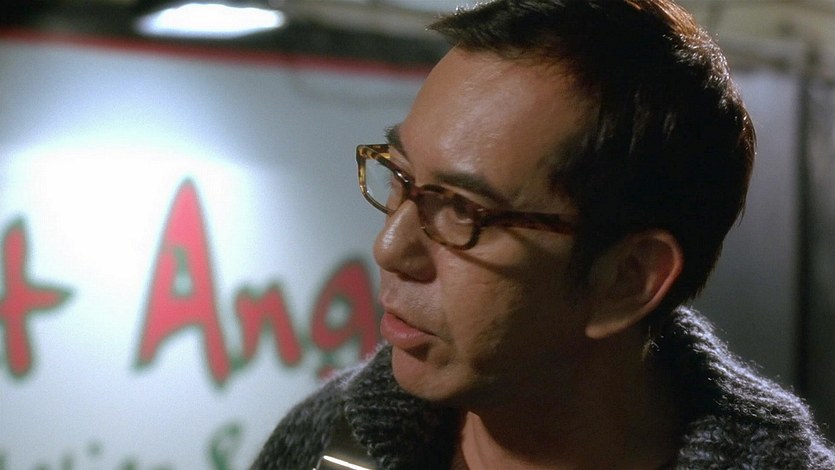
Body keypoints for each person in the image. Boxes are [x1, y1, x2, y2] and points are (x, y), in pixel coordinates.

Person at [252, 0, 835, 468]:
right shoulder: (324, 442)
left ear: (627, 279)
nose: (390, 248)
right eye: (400, 178)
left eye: (462, 210)